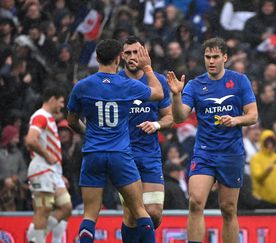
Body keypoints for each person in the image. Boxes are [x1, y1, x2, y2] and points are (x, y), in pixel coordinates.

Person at [67, 39, 163, 243]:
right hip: (120, 155)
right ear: (119, 57)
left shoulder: (82, 86)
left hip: (93, 154)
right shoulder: (127, 85)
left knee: (90, 215)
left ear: (98, 58)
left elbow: (71, 120)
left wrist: (88, 133)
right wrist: (147, 67)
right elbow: (158, 92)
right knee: (139, 210)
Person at [167, 37, 258, 243]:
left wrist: (235, 120)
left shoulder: (239, 80)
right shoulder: (195, 84)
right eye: (207, 57)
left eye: (216, 56)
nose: (211, 61)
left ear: (225, 57)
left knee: (228, 209)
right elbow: (180, 117)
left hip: (231, 152)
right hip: (205, 151)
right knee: (196, 202)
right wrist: (176, 96)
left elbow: (253, 115)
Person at [118, 36, 173, 241]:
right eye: (128, 53)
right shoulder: (116, 82)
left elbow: (169, 117)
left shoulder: (156, 81)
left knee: (155, 214)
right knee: (133, 214)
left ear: (144, 54)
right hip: (123, 156)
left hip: (150, 155)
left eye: (136, 52)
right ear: (122, 56)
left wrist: (156, 125)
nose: (133, 57)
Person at [25, 87, 72, 243]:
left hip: (52, 172)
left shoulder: (48, 118)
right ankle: (38, 239)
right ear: (52, 99)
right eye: (60, 102)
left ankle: (36, 236)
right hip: (41, 169)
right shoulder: (40, 116)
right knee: (43, 210)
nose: (61, 106)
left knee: (66, 207)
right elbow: (30, 140)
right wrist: (47, 155)